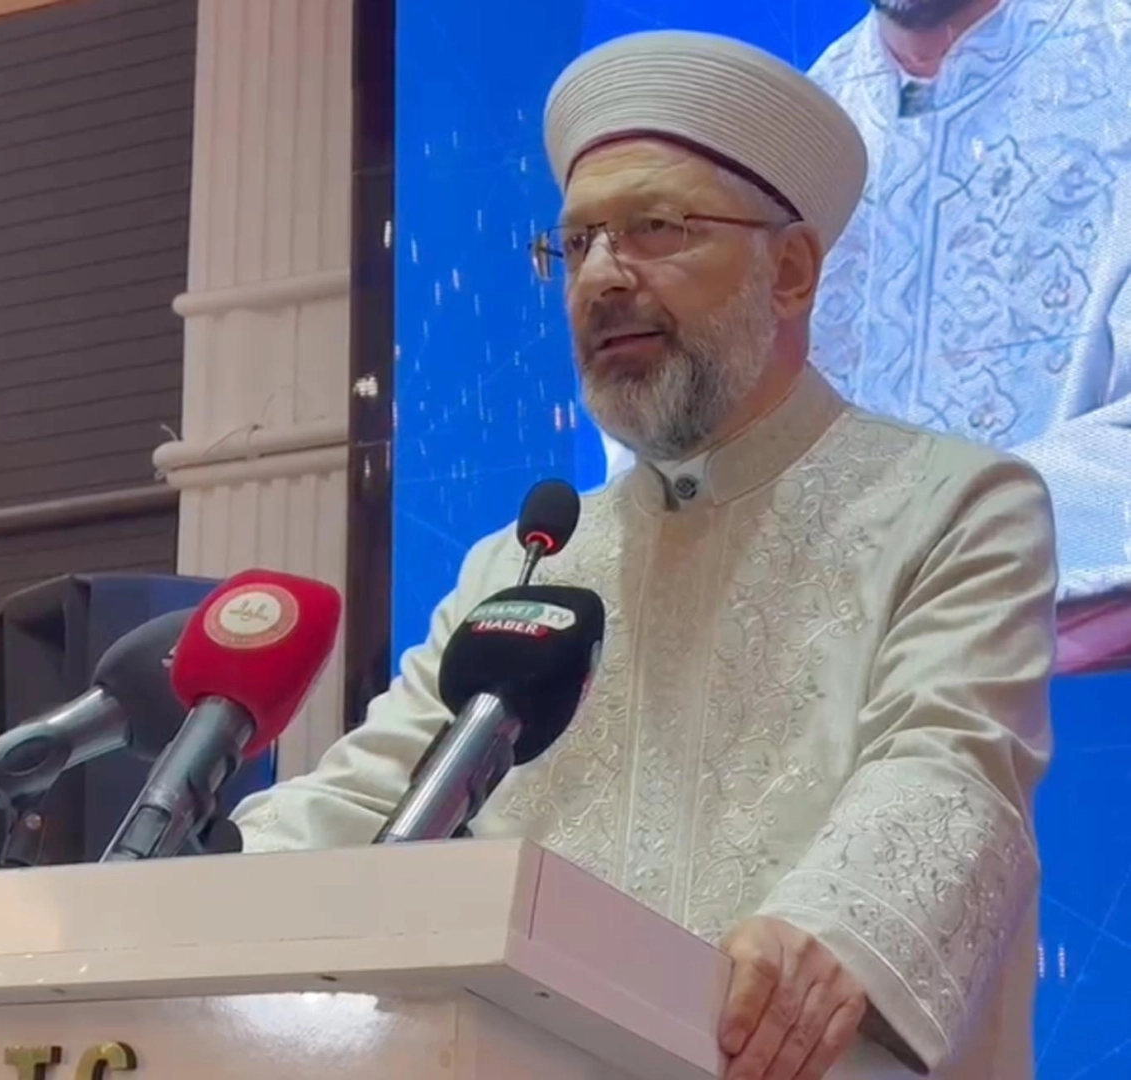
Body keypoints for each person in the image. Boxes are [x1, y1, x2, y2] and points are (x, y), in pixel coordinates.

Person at [233, 31, 1056, 1080]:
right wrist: (185, 885)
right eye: (576, 244)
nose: (601, 278)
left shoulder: (952, 504)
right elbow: (377, 793)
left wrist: (828, 932)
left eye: (654, 229)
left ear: (792, 270)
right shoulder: (527, 562)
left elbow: (950, 764)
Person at [806, 0, 1131, 601]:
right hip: (824, 636)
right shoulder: (804, 128)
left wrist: (934, 524)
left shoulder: (1117, 57)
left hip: (1074, 632)